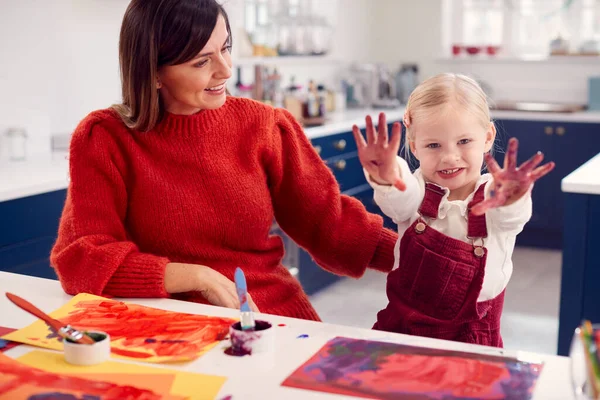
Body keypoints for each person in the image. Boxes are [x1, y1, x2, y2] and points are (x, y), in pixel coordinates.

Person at [50, 0, 398, 321]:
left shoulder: (265, 125)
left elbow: (330, 224)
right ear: (153, 72)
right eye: (202, 61)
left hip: (268, 314)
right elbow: (82, 258)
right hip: (164, 325)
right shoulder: (104, 138)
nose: (226, 70)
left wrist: (418, 257)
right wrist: (193, 276)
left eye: (226, 47)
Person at [351, 73, 555, 347]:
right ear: (414, 146)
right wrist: (388, 175)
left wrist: (512, 196)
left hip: (474, 336)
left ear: (487, 137)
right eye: (433, 145)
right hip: (403, 329)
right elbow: (399, 196)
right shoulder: (416, 190)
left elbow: (511, 217)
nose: (450, 156)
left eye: (464, 142)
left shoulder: (495, 197)